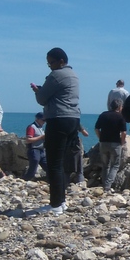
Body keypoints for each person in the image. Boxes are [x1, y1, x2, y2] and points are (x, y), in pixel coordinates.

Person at [31, 47, 81, 215]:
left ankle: (56, 204)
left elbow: (41, 99)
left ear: (61, 61)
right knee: (61, 162)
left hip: (58, 119)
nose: (50, 66)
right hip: (73, 119)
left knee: (54, 163)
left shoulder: (56, 75)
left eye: (51, 62)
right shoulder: (74, 75)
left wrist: (38, 91)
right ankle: (61, 201)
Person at [95, 99, 127, 192]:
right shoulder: (120, 117)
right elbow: (124, 132)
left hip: (103, 143)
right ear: (120, 107)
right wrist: (122, 142)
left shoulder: (103, 115)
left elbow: (96, 128)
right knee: (115, 165)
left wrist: (100, 138)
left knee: (105, 165)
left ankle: (104, 184)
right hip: (115, 143)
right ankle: (108, 186)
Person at [24, 113, 47, 180]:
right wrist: (41, 137)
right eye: (43, 120)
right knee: (33, 168)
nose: (44, 122)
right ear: (37, 119)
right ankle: (26, 179)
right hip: (34, 149)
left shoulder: (41, 128)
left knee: (48, 167)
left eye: (45, 120)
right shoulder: (32, 127)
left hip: (42, 150)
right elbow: (28, 140)